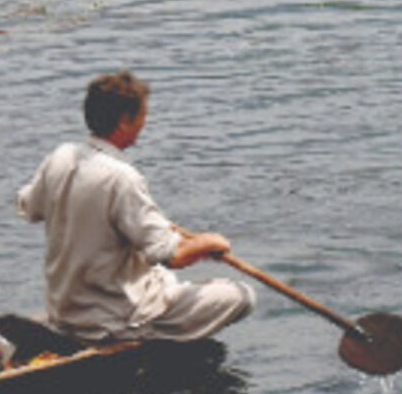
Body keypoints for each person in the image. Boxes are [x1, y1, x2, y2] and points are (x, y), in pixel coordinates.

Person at [17, 71, 255, 342]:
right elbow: (172, 256)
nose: (145, 122)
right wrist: (209, 242)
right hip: (112, 319)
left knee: (157, 275)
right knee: (241, 295)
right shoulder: (122, 178)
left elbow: (28, 206)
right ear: (124, 122)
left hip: (66, 309)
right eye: (142, 115)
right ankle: (150, 337)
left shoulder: (61, 156)